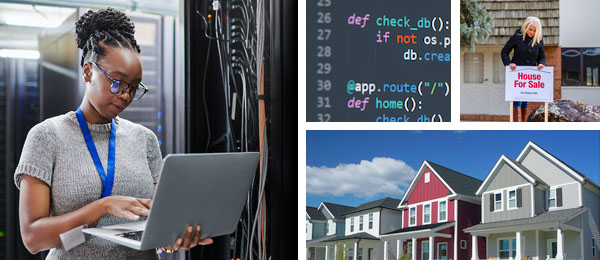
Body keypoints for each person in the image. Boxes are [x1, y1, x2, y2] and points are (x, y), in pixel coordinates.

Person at [14, 8, 212, 259]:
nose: (126, 96)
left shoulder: (145, 140)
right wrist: (103, 207)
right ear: (88, 72)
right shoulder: (46, 136)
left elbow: (156, 225)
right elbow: (33, 238)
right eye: (117, 82)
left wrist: (173, 238)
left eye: (133, 87)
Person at [501, 16, 546, 122]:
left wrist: (541, 64)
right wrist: (509, 64)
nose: (531, 32)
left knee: (525, 101)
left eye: (534, 30)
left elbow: (542, 57)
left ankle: (524, 125)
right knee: (517, 100)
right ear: (526, 27)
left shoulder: (539, 40)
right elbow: (504, 52)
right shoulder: (517, 37)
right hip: (517, 74)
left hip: (529, 77)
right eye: (530, 29)